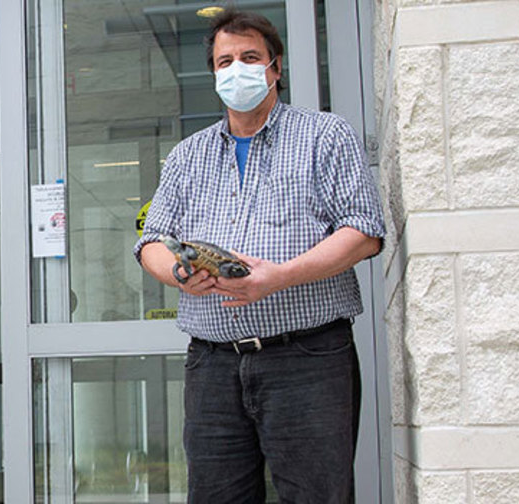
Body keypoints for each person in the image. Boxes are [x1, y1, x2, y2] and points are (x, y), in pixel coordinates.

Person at [134, 9, 385, 503]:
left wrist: (281, 276)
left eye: (250, 57)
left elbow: (364, 231)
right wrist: (181, 274)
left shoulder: (325, 135)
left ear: (275, 68)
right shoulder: (188, 155)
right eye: (224, 61)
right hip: (211, 365)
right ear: (213, 75)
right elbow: (151, 242)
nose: (237, 69)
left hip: (307, 357)